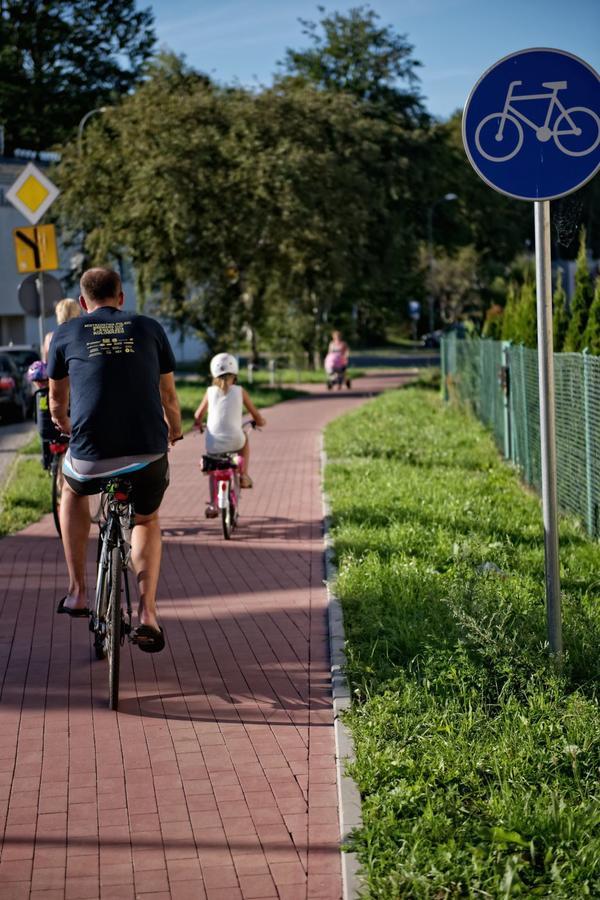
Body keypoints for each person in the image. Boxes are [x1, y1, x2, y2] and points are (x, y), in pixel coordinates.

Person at [48, 267, 183, 653]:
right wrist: (173, 430)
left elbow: (57, 404)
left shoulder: (66, 332)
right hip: (147, 452)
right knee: (147, 518)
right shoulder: (149, 328)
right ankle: (149, 614)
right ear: (122, 298)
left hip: (91, 453)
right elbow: (169, 398)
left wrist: (69, 427)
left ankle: (76, 591)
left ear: (82, 303)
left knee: (71, 492)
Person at [193, 353, 266, 518]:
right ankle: (244, 474)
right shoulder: (240, 391)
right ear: (235, 374)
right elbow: (256, 415)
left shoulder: (210, 391)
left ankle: (213, 504)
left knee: (213, 470)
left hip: (213, 443)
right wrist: (260, 421)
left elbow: (198, 415)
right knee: (245, 438)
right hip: (235, 440)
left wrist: (198, 425)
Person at [26, 360, 66, 469]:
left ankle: (46, 462)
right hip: (58, 429)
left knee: (45, 442)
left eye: (41, 381)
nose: (40, 384)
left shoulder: (37, 396)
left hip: (45, 431)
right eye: (37, 381)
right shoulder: (54, 393)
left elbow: (34, 416)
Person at [42, 297, 81, 362]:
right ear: (76, 313)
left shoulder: (49, 337)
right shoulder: (82, 335)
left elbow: (45, 362)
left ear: (59, 314)